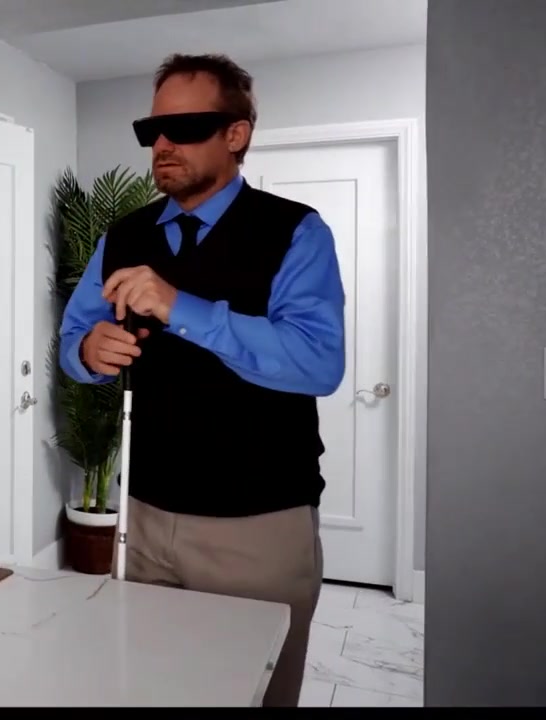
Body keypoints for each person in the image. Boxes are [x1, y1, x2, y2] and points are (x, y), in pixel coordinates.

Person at [57, 53, 346, 707]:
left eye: (185, 127)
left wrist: (179, 307)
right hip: (144, 518)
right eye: (152, 129)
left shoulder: (295, 232)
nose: (162, 144)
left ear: (236, 134)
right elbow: (74, 339)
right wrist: (89, 353)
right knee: (149, 690)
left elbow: (318, 362)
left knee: (255, 696)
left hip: (258, 526)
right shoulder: (124, 234)